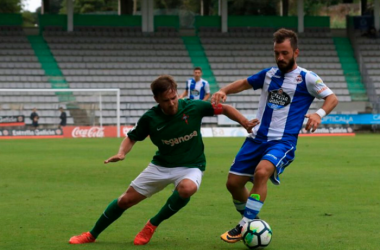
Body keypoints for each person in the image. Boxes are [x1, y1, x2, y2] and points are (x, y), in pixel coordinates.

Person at [69, 75, 259, 245]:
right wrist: (122, 153)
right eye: (165, 100)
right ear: (156, 99)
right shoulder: (150, 118)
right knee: (125, 201)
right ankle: (91, 235)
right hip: (161, 166)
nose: (171, 103)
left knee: (187, 188)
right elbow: (132, 137)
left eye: (174, 98)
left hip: (191, 166)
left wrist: (244, 122)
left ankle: (152, 224)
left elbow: (224, 108)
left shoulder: (193, 107)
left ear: (177, 94)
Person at [211, 28, 339, 243]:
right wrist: (224, 90)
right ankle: (253, 219)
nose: (280, 57)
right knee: (233, 184)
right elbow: (244, 83)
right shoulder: (268, 74)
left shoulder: (307, 78)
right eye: (277, 53)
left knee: (262, 173)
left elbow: (332, 98)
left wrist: (318, 114)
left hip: (283, 141)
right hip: (257, 138)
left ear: (296, 52)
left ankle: (243, 226)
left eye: (285, 53)